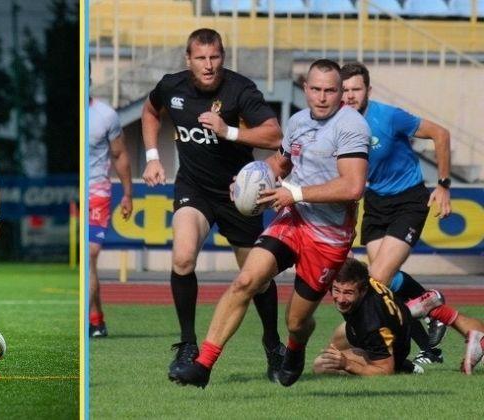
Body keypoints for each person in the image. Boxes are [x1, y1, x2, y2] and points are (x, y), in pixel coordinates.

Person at [170, 59, 370, 388]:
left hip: (329, 237)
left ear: (340, 93)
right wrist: (250, 180)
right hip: (293, 220)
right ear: (305, 89)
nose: (322, 97)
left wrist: (296, 192)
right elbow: (282, 161)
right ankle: (203, 366)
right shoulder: (297, 121)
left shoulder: (351, 126)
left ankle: (295, 347)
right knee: (246, 280)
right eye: (316, 89)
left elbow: (353, 187)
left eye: (330, 91)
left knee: (296, 321)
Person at [140, 28, 285, 382]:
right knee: (183, 257)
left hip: (240, 196)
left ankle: (272, 344)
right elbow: (149, 111)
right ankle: (188, 345)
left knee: (257, 280)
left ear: (223, 57)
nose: (208, 65)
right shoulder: (171, 87)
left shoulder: (240, 90)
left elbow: (274, 134)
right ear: (188, 60)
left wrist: (229, 131)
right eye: (201, 58)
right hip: (194, 189)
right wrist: (152, 156)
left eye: (214, 57)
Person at [341, 62, 453, 365]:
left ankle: (421, 336)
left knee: (376, 280)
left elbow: (441, 134)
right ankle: (434, 327)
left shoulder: (388, 116)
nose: (350, 95)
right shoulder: (338, 123)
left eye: (356, 89)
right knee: (384, 283)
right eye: (345, 90)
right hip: (375, 203)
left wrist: (443, 185)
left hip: (409, 200)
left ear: (368, 91)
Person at [313, 258, 484, 376]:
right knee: (336, 341)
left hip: (388, 340)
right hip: (393, 322)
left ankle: (402, 366)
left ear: (363, 290)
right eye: (337, 291)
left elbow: (383, 370)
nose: (340, 299)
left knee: (321, 365)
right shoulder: (363, 278)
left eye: (348, 293)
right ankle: (420, 308)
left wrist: (347, 364)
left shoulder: (371, 322)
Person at [88, 95, 133, 338]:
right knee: (88, 261)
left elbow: (120, 154)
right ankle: (96, 319)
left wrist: (127, 194)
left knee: (89, 254)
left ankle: (92, 322)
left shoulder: (106, 115)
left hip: (97, 192)